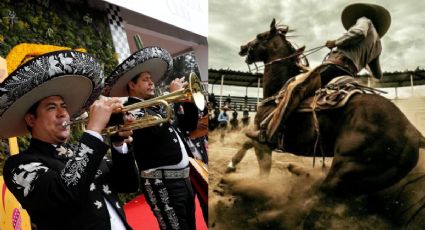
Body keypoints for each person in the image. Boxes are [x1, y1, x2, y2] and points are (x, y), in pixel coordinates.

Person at [0, 51, 139, 230]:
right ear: (31, 119)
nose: (63, 113)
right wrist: (94, 131)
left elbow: (128, 184)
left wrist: (119, 144)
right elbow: (64, 193)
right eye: (52, 107)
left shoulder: (79, 151)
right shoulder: (18, 165)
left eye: (64, 107)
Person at [246, 3, 391, 146]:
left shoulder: (365, 20)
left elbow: (358, 33)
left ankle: (269, 133)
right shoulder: (378, 45)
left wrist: (336, 42)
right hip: (349, 75)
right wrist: (363, 58)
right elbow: (378, 75)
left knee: (296, 88)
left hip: (334, 68)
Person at [105, 46, 199, 230]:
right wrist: (171, 98)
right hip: (162, 183)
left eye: (151, 79)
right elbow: (155, 132)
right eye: (145, 80)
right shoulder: (131, 110)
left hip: (184, 180)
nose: (152, 83)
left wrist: (188, 101)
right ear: (132, 85)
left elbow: (189, 125)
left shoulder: (158, 106)